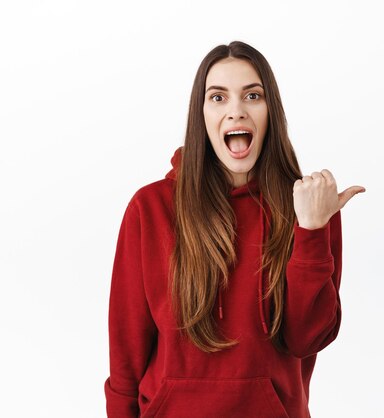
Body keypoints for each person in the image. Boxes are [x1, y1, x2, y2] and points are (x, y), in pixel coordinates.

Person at [103, 40, 365, 417]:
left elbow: (308, 338)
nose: (236, 111)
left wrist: (311, 229)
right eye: (218, 98)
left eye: (252, 95)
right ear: (202, 114)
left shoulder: (309, 208)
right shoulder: (150, 208)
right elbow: (125, 354)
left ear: (270, 111)